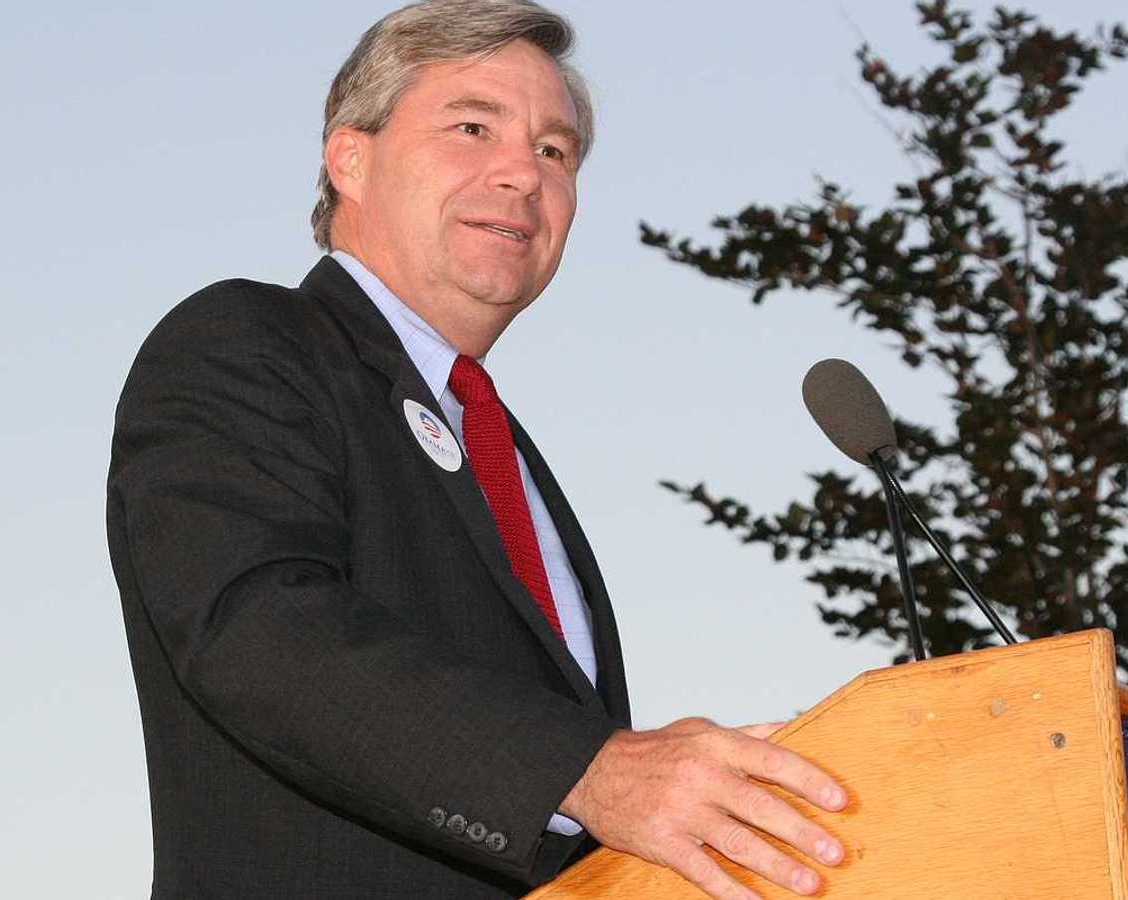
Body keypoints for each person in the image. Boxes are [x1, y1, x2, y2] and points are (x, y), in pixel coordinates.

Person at [104, 2, 848, 897]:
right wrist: (591, 769)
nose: (522, 176)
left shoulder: (505, 451)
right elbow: (256, 630)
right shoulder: (248, 342)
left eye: (554, 151)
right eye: (472, 127)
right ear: (351, 157)